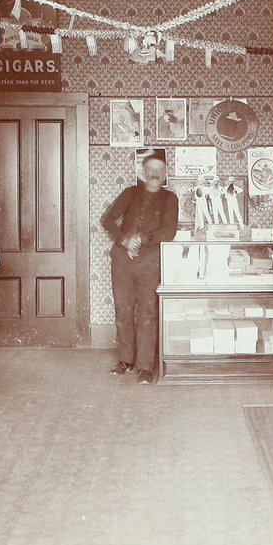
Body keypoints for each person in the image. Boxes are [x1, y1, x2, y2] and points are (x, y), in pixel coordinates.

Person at [99, 150, 179, 384]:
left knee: (147, 312)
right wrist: (124, 240)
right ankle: (125, 360)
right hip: (122, 260)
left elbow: (169, 231)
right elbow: (107, 219)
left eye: (160, 170)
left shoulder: (170, 199)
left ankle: (145, 367)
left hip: (150, 261)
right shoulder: (130, 193)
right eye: (151, 169)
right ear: (143, 173)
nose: (155, 174)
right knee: (123, 310)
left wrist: (141, 239)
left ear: (165, 174)